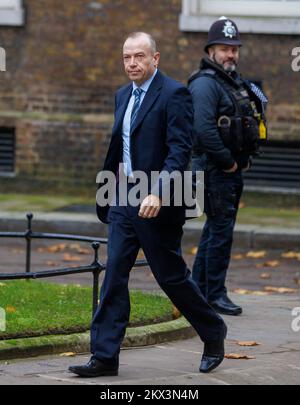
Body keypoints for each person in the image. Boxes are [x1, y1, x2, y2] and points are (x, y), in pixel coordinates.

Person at [69, 32, 227, 378]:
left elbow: (179, 151)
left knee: (170, 278)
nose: (132, 64)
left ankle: (213, 331)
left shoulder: (175, 94)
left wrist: (159, 191)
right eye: (126, 58)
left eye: (139, 57)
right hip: (124, 197)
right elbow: (119, 149)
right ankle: (105, 355)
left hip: (158, 201)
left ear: (156, 59)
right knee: (113, 275)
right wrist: (107, 193)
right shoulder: (122, 95)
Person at [189, 18, 268, 316]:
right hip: (215, 170)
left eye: (234, 48)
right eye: (224, 48)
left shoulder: (231, 81)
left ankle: (199, 290)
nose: (231, 54)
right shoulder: (205, 84)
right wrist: (229, 162)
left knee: (216, 229)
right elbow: (203, 130)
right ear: (211, 50)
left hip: (229, 170)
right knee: (221, 231)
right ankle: (214, 294)